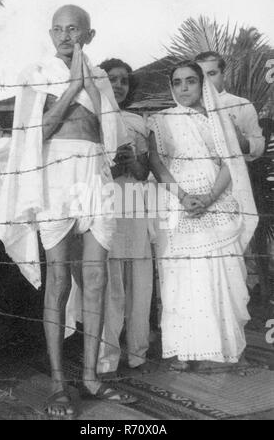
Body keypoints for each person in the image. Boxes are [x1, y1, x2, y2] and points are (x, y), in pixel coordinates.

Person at [0, 5, 136, 419]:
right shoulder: (36, 74)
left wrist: (90, 89)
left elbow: (113, 141)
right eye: (57, 29)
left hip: (94, 177)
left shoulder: (100, 80)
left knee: (95, 279)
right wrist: (73, 88)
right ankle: (59, 384)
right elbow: (33, 135)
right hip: (55, 177)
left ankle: (91, 377)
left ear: (88, 36)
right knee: (58, 279)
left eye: (73, 29)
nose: (64, 36)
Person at [148, 60, 258, 368]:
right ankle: (185, 351)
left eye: (191, 81)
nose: (184, 88)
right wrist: (183, 197)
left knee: (225, 271)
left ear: (202, 84)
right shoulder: (161, 119)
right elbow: (156, 163)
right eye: (178, 82)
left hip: (217, 197)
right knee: (182, 276)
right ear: (171, 87)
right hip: (177, 198)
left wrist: (209, 198)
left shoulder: (221, 119)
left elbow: (231, 162)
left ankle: (230, 348)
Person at [96, 59, 153, 376]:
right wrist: (115, 166)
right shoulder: (93, 118)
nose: (117, 86)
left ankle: (138, 354)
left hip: (134, 209)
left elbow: (145, 172)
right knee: (110, 287)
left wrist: (131, 162)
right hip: (106, 208)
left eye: (123, 81)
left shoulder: (137, 121)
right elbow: (90, 172)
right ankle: (106, 357)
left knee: (140, 288)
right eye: (111, 80)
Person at [195, 51, 265, 161]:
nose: (206, 81)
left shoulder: (241, 105)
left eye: (212, 74)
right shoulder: (188, 107)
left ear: (224, 75)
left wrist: (241, 140)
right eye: (201, 76)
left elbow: (259, 147)